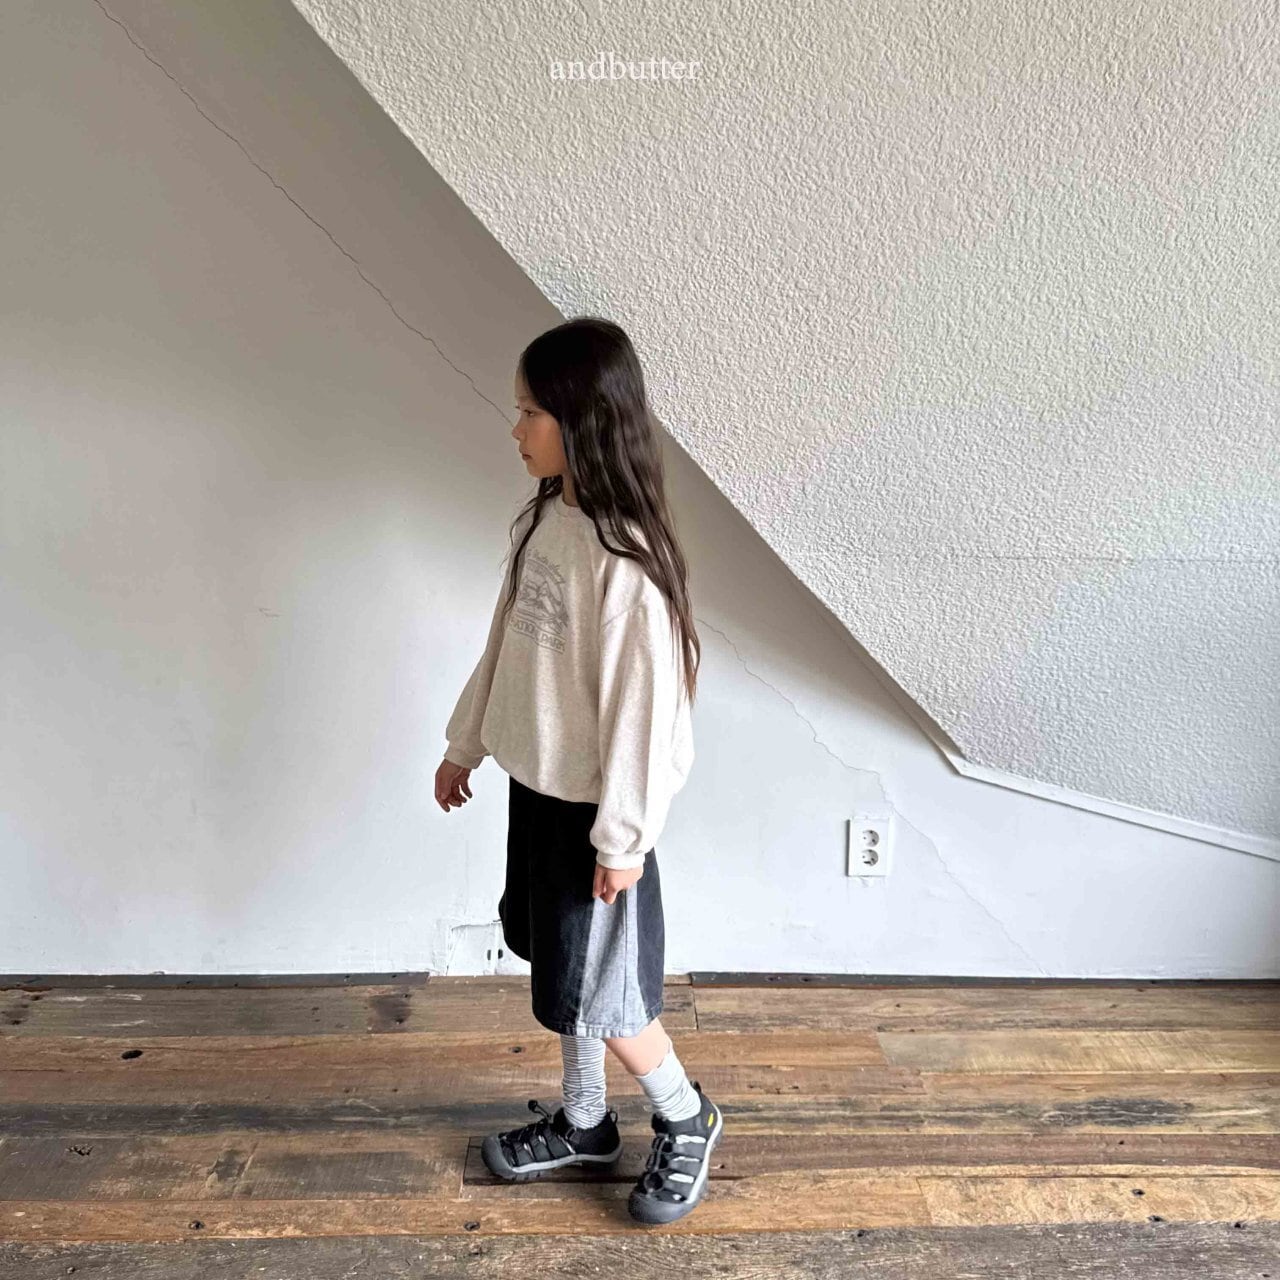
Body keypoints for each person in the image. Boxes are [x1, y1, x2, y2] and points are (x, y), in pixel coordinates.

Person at [434, 317, 723, 1225]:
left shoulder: (625, 561)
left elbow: (646, 712)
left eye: (531, 412)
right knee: (564, 977)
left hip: (600, 814)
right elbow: (504, 648)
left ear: (582, 420)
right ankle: (587, 1121)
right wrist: (465, 742)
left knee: (613, 995)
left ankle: (686, 1114)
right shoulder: (543, 523)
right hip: (539, 790)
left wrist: (624, 841)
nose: (515, 429)